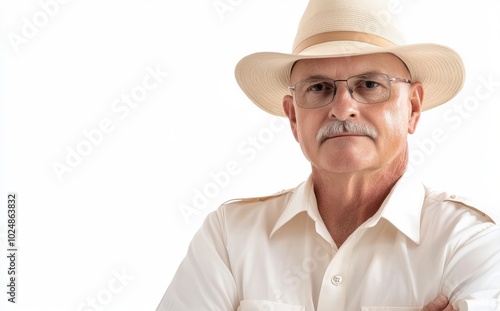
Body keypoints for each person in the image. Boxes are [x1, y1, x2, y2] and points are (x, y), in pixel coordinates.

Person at [157, 0, 500, 310]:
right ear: (293, 117)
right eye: (319, 88)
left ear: (412, 108)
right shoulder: (229, 236)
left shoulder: (469, 241)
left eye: (369, 85)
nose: (342, 108)